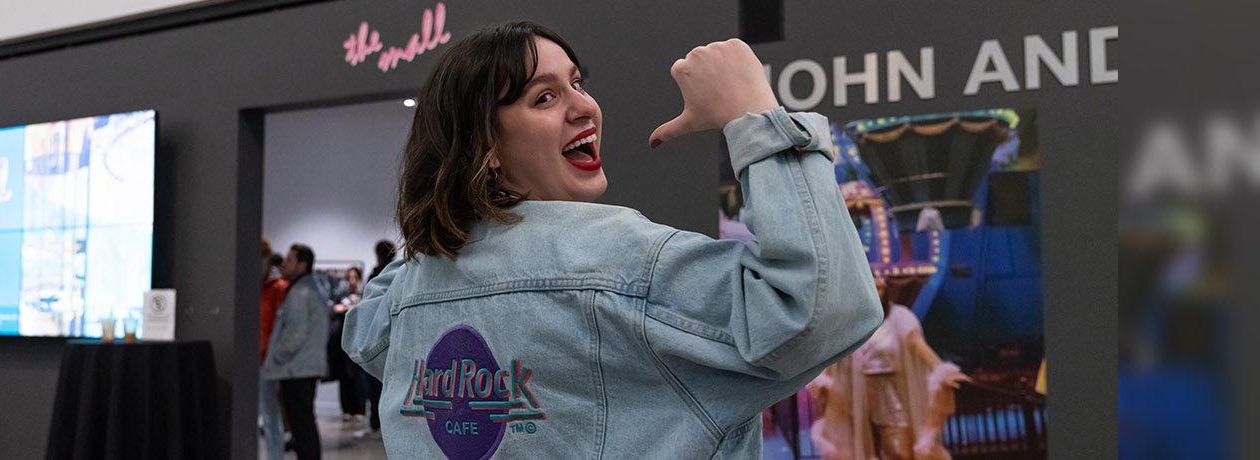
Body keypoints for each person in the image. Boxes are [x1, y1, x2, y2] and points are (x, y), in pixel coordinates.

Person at [342, 21, 883, 459]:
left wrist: (447, 209)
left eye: (576, 83)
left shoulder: (408, 291)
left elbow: (365, 336)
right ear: (487, 146)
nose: (584, 106)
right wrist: (754, 113)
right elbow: (818, 309)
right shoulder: (619, 261)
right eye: (544, 97)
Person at [805, 277, 970, 460]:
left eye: (881, 289)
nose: (878, 293)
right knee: (862, 448)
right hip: (857, 393)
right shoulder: (853, 320)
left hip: (889, 393)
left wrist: (942, 371)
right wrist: (822, 379)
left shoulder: (898, 317)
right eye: (873, 288)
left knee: (898, 449)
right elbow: (835, 353)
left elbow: (917, 345)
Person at [262, 244, 329, 460]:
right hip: (302, 368)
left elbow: (294, 336)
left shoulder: (301, 294)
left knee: (302, 426)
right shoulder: (306, 290)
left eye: (290, 260)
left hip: (297, 370)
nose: (284, 264)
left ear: (302, 265)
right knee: (304, 424)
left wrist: (275, 358)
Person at [351, 240, 397, 440]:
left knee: (375, 387)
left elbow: (365, 316)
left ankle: (377, 424)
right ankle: (384, 425)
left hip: (379, 339)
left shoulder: (378, 277)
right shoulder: (400, 274)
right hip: (395, 341)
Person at [257, 240, 289, 460]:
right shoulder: (252, 289)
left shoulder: (279, 289)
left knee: (271, 416)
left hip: (269, 362)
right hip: (250, 360)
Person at [328, 266, 367, 425]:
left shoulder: (364, 295)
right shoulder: (341, 296)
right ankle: (346, 410)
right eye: (348, 277)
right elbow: (333, 310)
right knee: (344, 377)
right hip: (340, 342)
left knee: (357, 376)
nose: (351, 281)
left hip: (357, 341)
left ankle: (359, 409)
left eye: (354, 277)